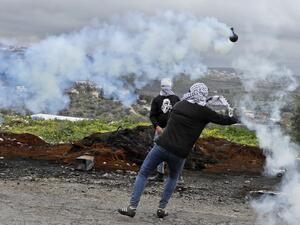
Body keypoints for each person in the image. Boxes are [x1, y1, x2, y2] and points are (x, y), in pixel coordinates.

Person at [118, 83, 239, 218]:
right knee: (173, 178)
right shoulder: (206, 112)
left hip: (162, 146)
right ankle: (161, 209)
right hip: (180, 154)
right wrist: (237, 116)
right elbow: (225, 120)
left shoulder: (179, 105)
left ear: (191, 92)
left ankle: (132, 207)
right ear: (204, 95)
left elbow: (171, 118)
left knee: (143, 173)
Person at [149, 78, 180, 182]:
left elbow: (179, 114)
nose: (165, 89)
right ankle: (160, 174)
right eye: (163, 86)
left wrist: (171, 127)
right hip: (159, 130)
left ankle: (177, 175)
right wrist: (157, 126)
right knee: (158, 151)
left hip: (173, 130)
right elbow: (152, 115)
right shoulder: (157, 99)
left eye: (166, 86)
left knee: (175, 152)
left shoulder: (176, 99)